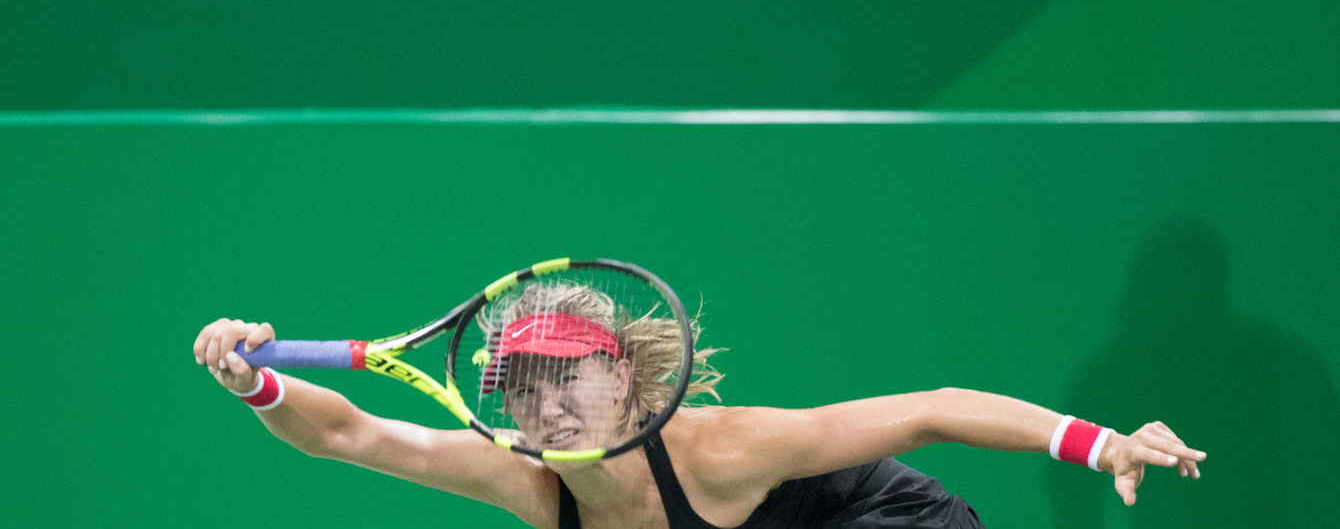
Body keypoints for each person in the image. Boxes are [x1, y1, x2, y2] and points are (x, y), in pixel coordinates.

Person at [194, 284, 1203, 529]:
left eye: (566, 377)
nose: (544, 407)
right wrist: (256, 380)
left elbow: (932, 407)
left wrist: (1096, 439)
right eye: (523, 386)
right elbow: (346, 429)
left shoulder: (722, 445)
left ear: (628, 379)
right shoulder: (526, 477)